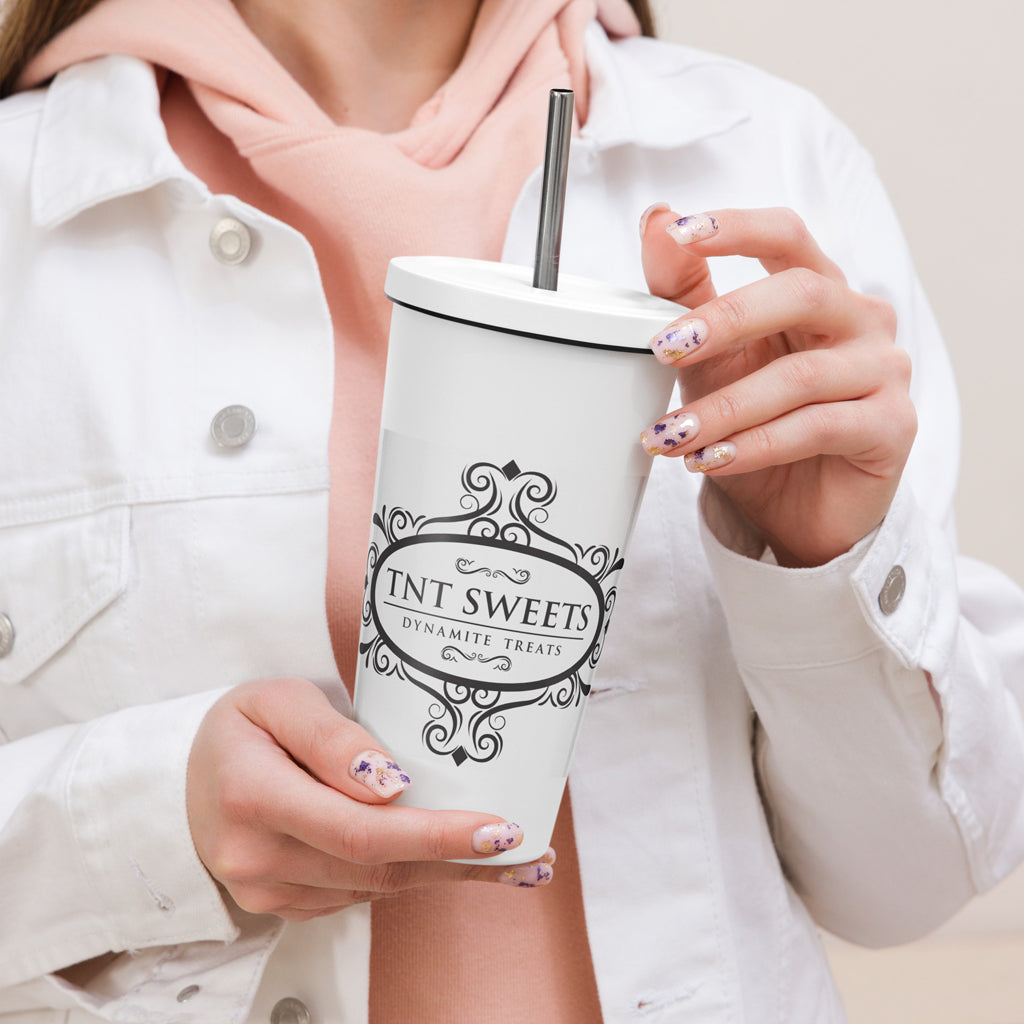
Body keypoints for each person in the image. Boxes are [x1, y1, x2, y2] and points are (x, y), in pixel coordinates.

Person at [1, 0, 1022, 1021]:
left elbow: (904, 887)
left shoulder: (768, 158)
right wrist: (142, 822)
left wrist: (822, 562)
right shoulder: (23, 214)